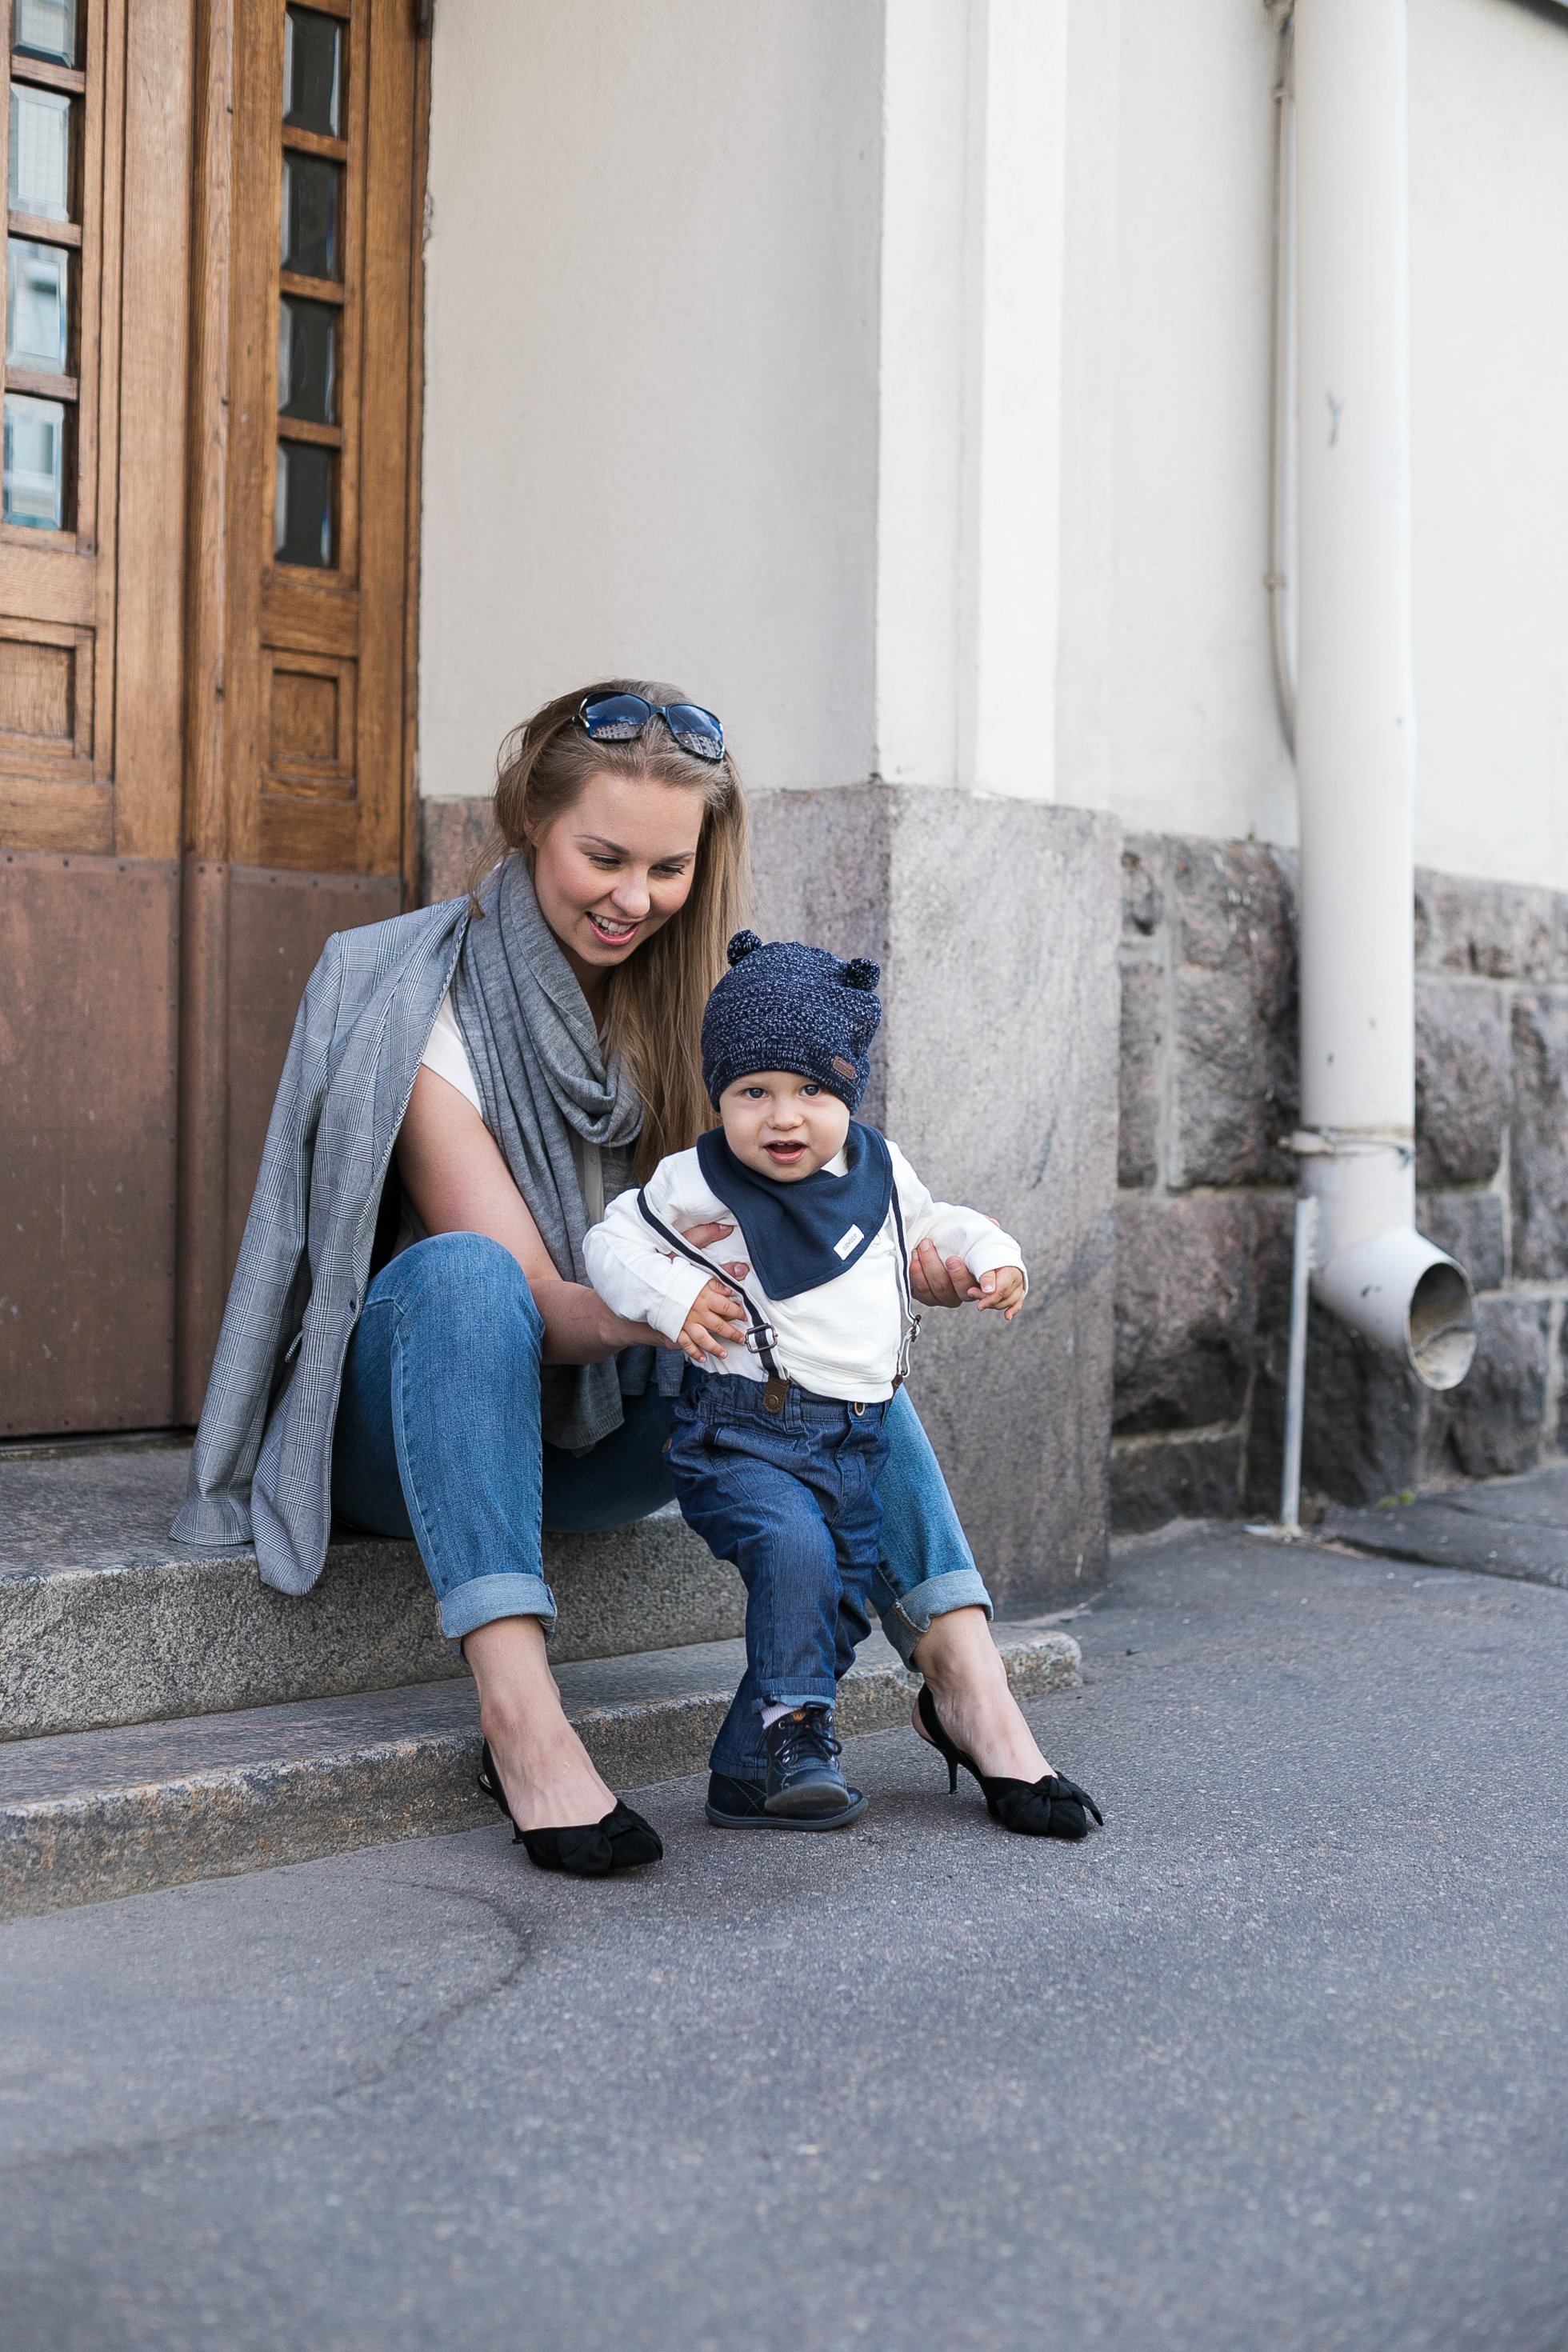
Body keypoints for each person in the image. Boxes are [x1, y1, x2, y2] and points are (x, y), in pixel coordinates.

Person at [173, 678, 1080, 1878]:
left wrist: (882, 1265)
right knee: (460, 1278)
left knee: (829, 1328)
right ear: (527, 822)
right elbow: (541, 1308)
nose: (632, 900)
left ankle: (965, 1679)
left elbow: (806, 1246)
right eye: (601, 857)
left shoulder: (713, 1022)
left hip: (622, 1430)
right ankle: (521, 1720)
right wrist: (701, 1292)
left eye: (667, 870)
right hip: (427, 1426)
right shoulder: (423, 996)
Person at [586, 930, 1099, 1841]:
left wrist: (994, 1258)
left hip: (857, 1441)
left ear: (848, 1091)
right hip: (744, 1431)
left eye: (811, 1092)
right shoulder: (695, 1182)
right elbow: (612, 1243)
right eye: (754, 1094)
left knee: (834, 1604)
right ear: (720, 1097)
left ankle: (746, 1776)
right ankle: (800, 1739)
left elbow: (937, 1222)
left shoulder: (878, 1172)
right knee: (793, 1553)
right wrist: (675, 1296)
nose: (783, 1119)